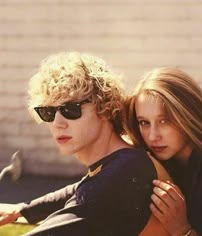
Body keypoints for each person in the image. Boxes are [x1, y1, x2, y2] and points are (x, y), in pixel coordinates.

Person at [0, 52, 167, 236]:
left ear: (105, 108)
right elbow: (79, 188)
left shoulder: (117, 179)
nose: (57, 123)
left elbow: (88, 195)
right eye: (48, 112)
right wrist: (24, 210)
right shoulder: (124, 162)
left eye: (70, 109)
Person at [124, 67, 202, 236]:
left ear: (189, 116)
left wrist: (181, 229)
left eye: (164, 121)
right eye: (144, 122)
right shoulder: (156, 161)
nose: (153, 136)